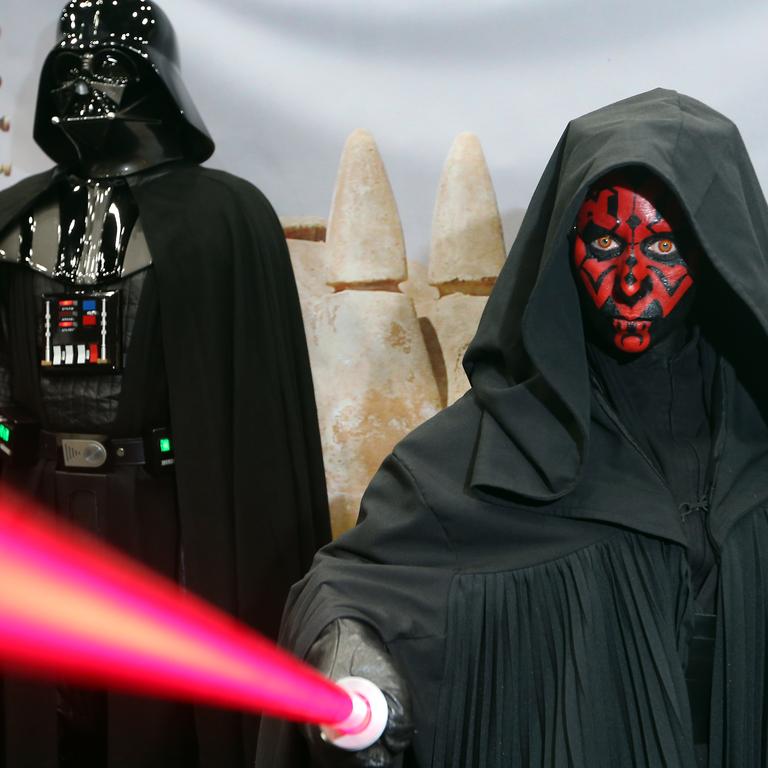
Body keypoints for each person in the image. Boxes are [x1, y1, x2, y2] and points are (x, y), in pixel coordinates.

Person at [256, 88, 768, 767]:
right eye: (607, 242)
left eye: (666, 245)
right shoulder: (483, 457)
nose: (633, 283)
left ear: (715, 252)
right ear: (564, 246)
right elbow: (351, 589)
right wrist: (349, 658)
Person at [0, 1, 330, 766]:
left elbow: (250, 417)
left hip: (169, 515)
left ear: (158, 79)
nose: (88, 84)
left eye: (110, 65)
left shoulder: (224, 218)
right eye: (73, 65)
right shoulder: (16, 221)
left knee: (163, 719)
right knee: (49, 709)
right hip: (40, 503)